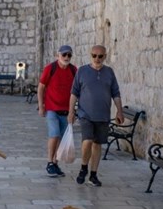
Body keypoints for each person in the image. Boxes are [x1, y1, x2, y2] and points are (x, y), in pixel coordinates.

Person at [67, 44, 124, 187]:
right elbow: (74, 93)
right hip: (85, 114)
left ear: (105, 56)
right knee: (87, 140)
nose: (97, 59)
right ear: (90, 55)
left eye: (100, 56)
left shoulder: (109, 72)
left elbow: (115, 93)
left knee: (97, 144)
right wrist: (71, 112)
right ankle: (83, 167)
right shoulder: (82, 71)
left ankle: (93, 174)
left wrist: (119, 111)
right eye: (94, 55)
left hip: (103, 115)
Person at [37, 45, 77, 177]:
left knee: (60, 137)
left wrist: (74, 110)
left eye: (69, 55)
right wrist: (41, 106)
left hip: (66, 110)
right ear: (57, 55)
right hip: (52, 108)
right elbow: (41, 87)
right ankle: (49, 162)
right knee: (54, 134)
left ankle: (55, 162)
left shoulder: (73, 70)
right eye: (64, 54)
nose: (66, 57)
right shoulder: (51, 68)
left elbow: (77, 90)